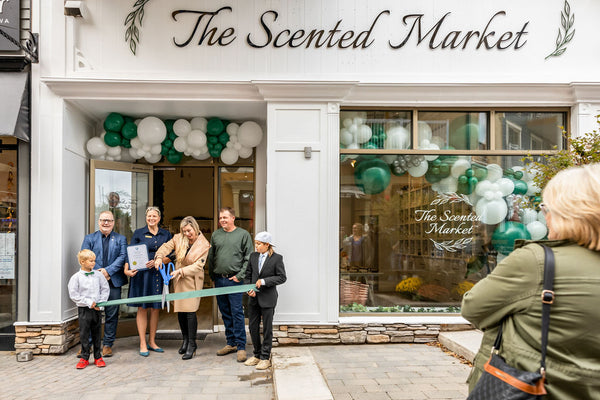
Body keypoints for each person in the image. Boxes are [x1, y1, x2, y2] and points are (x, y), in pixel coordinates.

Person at [462, 163, 600, 399]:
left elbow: (473, 308)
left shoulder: (536, 262)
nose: (545, 216)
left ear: (566, 213)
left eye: (547, 208)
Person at [154, 216, 210, 360]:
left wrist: (181, 271)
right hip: (178, 280)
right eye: (184, 231)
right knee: (180, 311)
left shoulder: (204, 244)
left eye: (189, 231)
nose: (187, 234)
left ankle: (192, 344)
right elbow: (166, 247)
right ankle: (185, 340)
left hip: (191, 280)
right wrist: (159, 257)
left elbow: (198, 266)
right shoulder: (178, 238)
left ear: (195, 228)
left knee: (190, 312)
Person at [124, 206, 172, 356]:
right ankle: (142, 343)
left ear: (159, 218)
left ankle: (152, 341)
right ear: (146, 218)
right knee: (142, 308)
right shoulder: (139, 233)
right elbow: (130, 253)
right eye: (149, 216)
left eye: (154, 216)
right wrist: (126, 269)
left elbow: (173, 254)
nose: (151, 219)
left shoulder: (166, 234)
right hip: (141, 275)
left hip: (158, 273)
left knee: (156, 308)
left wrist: (159, 261)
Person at [208, 207, 253, 362]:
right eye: (220, 218)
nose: (222, 220)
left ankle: (241, 346)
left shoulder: (243, 235)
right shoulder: (216, 235)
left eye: (225, 217)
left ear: (233, 218)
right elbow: (211, 256)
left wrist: (239, 276)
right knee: (225, 312)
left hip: (235, 281)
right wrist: (212, 276)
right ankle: (231, 343)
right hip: (219, 280)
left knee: (237, 313)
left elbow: (249, 258)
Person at [80, 210, 127, 357]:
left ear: (113, 223)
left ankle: (107, 344)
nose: (106, 223)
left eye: (109, 220)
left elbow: (122, 256)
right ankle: (88, 345)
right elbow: (84, 256)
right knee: (91, 315)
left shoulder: (121, 239)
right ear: (98, 222)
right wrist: (99, 273)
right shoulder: (90, 238)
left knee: (111, 314)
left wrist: (107, 271)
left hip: (113, 280)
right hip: (93, 281)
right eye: (103, 220)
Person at [244, 231, 287, 370]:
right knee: (252, 327)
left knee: (267, 328)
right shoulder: (253, 256)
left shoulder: (277, 258)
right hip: (253, 299)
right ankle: (256, 355)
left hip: (268, 299)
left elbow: (282, 277)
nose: (256, 246)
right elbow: (248, 275)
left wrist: (264, 281)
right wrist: (248, 288)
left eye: (258, 244)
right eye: (255, 243)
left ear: (267, 244)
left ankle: (265, 357)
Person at [68, 249, 110, 369]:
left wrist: (101, 303)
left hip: (97, 309)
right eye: (91, 261)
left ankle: (98, 356)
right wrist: (88, 302)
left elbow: (105, 289)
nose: (94, 263)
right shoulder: (76, 278)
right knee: (84, 333)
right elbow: (74, 295)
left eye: (94, 260)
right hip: (84, 310)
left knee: (97, 332)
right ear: (82, 262)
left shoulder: (98, 275)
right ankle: (84, 357)